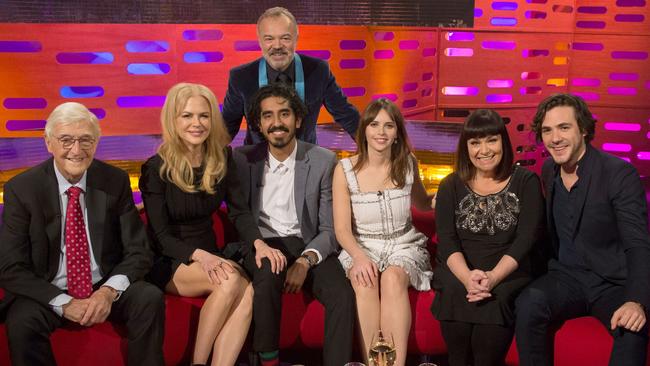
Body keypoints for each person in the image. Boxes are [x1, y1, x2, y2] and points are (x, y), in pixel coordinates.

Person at [0, 102, 164, 366]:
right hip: (48, 288)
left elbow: (138, 250)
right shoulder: (22, 189)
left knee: (148, 297)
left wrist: (108, 292)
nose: (76, 150)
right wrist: (64, 302)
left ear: (96, 142)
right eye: (66, 140)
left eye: (85, 140)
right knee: (21, 319)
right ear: (48, 142)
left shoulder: (114, 180)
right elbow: (10, 267)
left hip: (103, 284)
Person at [515, 93, 650, 365]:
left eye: (564, 128)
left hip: (612, 282)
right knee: (528, 303)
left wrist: (636, 300)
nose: (555, 138)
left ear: (584, 130)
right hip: (567, 278)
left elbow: (637, 244)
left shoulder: (618, 174)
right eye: (547, 131)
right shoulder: (550, 170)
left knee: (632, 330)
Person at [232, 83, 355, 366]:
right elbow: (237, 213)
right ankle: (268, 361)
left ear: (298, 119)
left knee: (342, 295)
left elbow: (328, 228)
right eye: (267, 116)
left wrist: (305, 261)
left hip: (309, 243)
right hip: (263, 243)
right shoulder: (242, 160)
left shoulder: (323, 161)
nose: (276, 123)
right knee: (266, 276)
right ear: (259, 124)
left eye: (284, 114)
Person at [139, 83, 262, 366]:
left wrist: (258, 243)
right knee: (231, 280)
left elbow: (239, 213)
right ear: (173, 119)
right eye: (187, 116)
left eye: (204, 116)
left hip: (210, 253)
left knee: (248, 291)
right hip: (170, 258)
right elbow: (159, 236)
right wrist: (201, 257)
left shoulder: (222, 158)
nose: (197, 123)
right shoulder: (155, 168)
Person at [431, 109, 545, 366]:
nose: (484, 150)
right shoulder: (450, 185)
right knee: (452, 291)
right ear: (466, 148)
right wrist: (467, 278)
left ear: (503, 141)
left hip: (508, 271)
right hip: (460, 270)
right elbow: (447, 241)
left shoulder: (526, 181)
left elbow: (526, 239)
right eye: (475, 142)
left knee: (495, 305)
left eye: (491, 140)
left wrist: (492, 278)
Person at [333, 98, 435, 366]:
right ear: (364, 129)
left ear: (397, 133)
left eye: (389, 126)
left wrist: (447, 196)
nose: (381, 132)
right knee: (365, 280)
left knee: (392, 277)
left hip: (402, 244)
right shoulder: (345, 170)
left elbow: (422, 202)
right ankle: (374, 363)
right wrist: (359, 257)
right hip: (362, 246)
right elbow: (342, 229)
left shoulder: (408, 163)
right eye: (375, 124)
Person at [222, 6, 359, 145]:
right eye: (269, 39)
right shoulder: (241, 77)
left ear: (296, 39)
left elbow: (347, 116)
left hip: (306, 161)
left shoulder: (319, 70)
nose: (277, 46)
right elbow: (225, 129)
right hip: (258, 162)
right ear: (260, 41)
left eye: (285, 38)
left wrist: (372, 149)